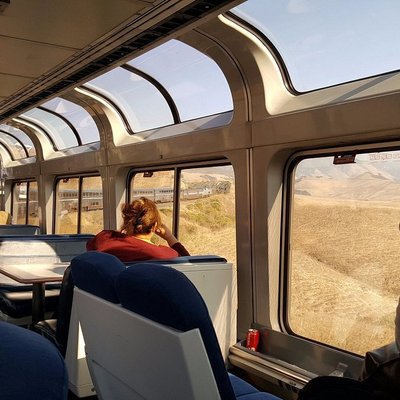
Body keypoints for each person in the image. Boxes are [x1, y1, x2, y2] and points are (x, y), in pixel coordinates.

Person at [86, 197, 190, 262]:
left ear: (127, 221)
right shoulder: (162, 253)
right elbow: (188, 262)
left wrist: (125, 230)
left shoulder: (104, 237)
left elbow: (90, 246)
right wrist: (169, 237)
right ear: (155, 226)